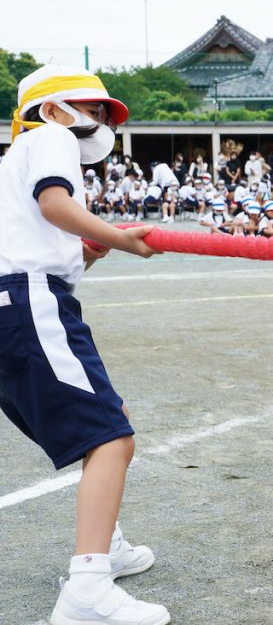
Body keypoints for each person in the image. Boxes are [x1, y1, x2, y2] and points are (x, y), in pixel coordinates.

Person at [0, 65, 167, 625]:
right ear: (52, 110)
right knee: (110, 438)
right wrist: (117, 235)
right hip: (29, 302)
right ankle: (88, 587)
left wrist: (91, 247)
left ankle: (107, 542)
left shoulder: (11, 165)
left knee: (104, 420)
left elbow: (48, 237)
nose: (97, 121)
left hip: (18, 304)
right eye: (90, 109)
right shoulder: (49, 139)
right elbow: (53, 205)